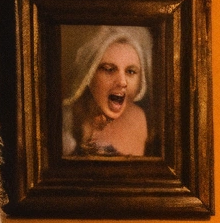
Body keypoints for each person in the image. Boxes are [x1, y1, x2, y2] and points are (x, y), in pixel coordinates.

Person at [62, 25, 153, 156]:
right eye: (109, 69)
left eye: (130, 71)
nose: (122, 82)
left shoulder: (139, 119)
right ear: (88, 75)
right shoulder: (66, 122)